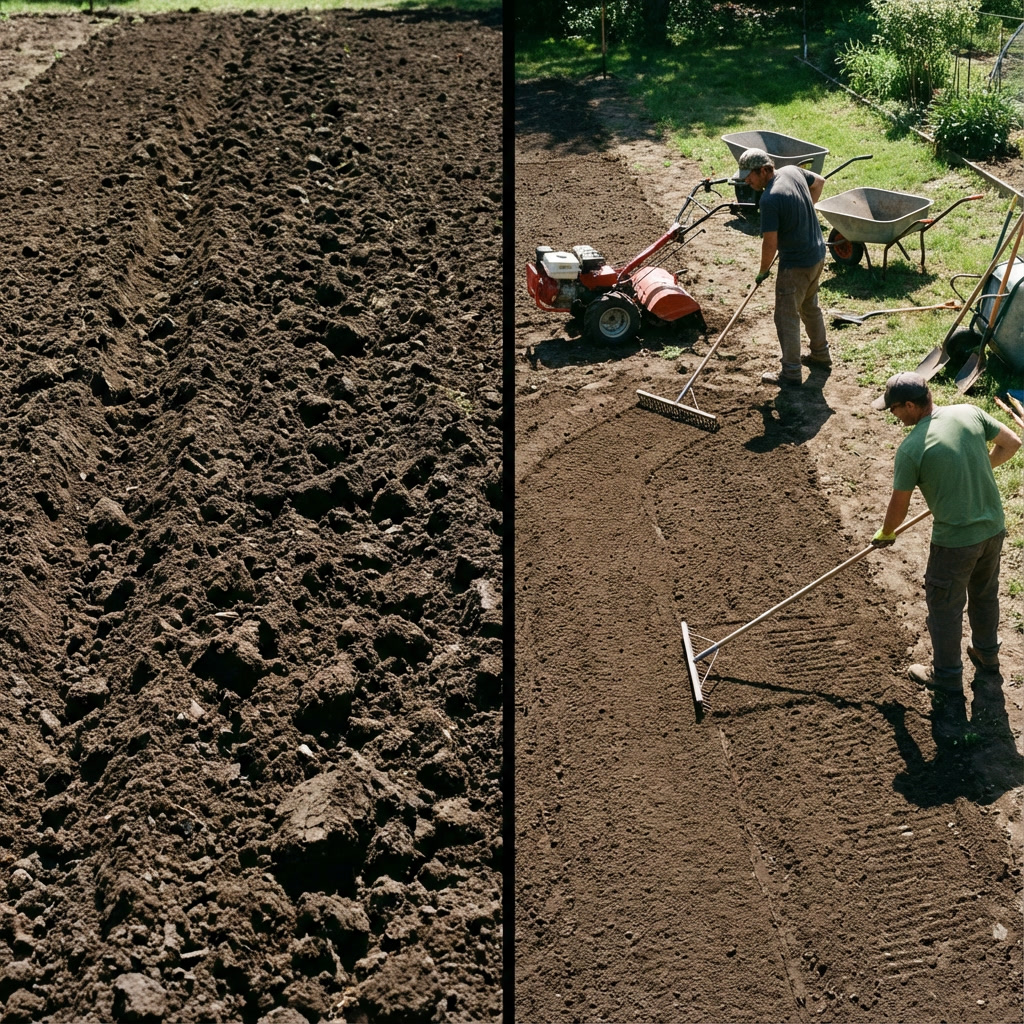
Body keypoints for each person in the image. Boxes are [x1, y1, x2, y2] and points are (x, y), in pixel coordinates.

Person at [870, 372, 1022, 691]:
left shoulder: (911, 449)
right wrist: (974, 469)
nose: (894, 416)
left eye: (894, 409)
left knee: (944, 609)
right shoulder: (968, 411)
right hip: (993, 529)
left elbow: (898, 506)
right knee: (984, 596)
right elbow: (1012, 443)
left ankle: (948, 676)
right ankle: (987, 656)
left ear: (910, 405)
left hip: (954, 545)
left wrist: (887, 532)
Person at [730, 148, 831, 387]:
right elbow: (819, 182)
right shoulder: (792, 171)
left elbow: (770, 243)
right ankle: (820, 354)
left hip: (796, 265)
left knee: (786, 317)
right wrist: (801, 214)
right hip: (817, 255)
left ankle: (791, 372)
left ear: (764, 170)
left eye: (750, 176)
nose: (747, 180)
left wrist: (763, 271)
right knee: (809, 307)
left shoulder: (770, 199)